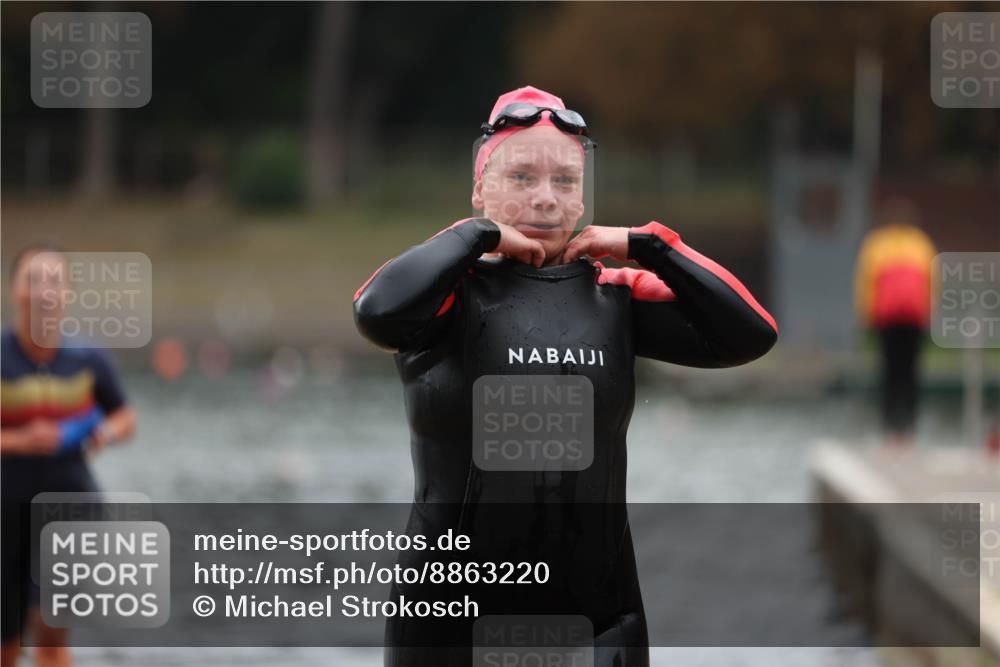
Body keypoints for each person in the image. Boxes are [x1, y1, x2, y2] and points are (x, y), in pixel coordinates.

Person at [353, 85, 778, 666]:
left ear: (582, 200)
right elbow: (376, 311)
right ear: (480, 186)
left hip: (602, 627)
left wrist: (650, 246)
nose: (546, 199)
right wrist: (475, 235)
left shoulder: (614, 296)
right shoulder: (448, 294)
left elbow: (750, 333)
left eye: (565, 182)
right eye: (521, 178)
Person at [1, 244, 137, 667]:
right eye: (33, 280)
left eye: (54, 281)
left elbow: (125, 415)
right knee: (5, 645)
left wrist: (103, 433)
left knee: (51, 632)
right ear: (14, 292)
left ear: (67, 294)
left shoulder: (88, 358)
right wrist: (23, 440)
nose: (44, 291)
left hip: (69, 505)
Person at [854, 198, 937, 446]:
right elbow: (934, 281)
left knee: (889, 371)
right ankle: (910, 428)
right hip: (914, 318)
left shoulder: (876, 244)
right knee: (911, 372)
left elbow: (865, 282)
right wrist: (930, 313)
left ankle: (890, 430)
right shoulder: (921, 243)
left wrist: (865, 316)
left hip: (887, 319)